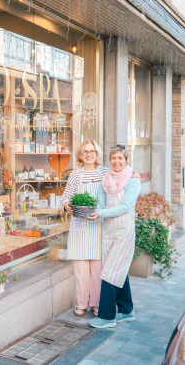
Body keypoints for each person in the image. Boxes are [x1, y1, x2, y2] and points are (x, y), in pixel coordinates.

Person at [87, 145, 141, 329]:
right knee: (118, 269)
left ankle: (107, 316)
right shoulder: (106, 179)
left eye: (120, 158)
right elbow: (102, 204)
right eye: (113, 158)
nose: (117, 162)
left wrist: (101, 214)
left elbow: (126, 207)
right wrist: (94, 212)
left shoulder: (133, 180)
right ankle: (126, 310)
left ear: (126, 160)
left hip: (124, 230)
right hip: (108, 230)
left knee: (110, 271)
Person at [62, 139, 108, 318]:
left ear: (97, 154)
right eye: (85, 152)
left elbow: (121, 178)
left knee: (97, 269)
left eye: (92, 151)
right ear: (81, 155)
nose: (89, 154)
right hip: (79, 225)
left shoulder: (105, 172)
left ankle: (96, 304)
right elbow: (66, 196)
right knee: (80, 270)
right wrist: (66, 205)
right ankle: (81, 304)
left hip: (98, 225)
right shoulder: (75, 174)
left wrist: (133, 174)